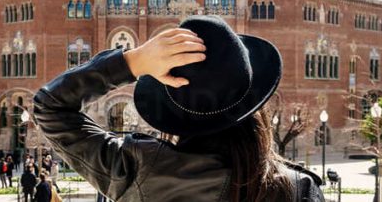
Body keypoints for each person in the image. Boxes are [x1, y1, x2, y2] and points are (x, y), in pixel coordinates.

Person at [33, 16, 324, 201]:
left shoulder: (135, 169)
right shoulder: (297, 189)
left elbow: (50, 106)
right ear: (255, 107)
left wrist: (133, 61)